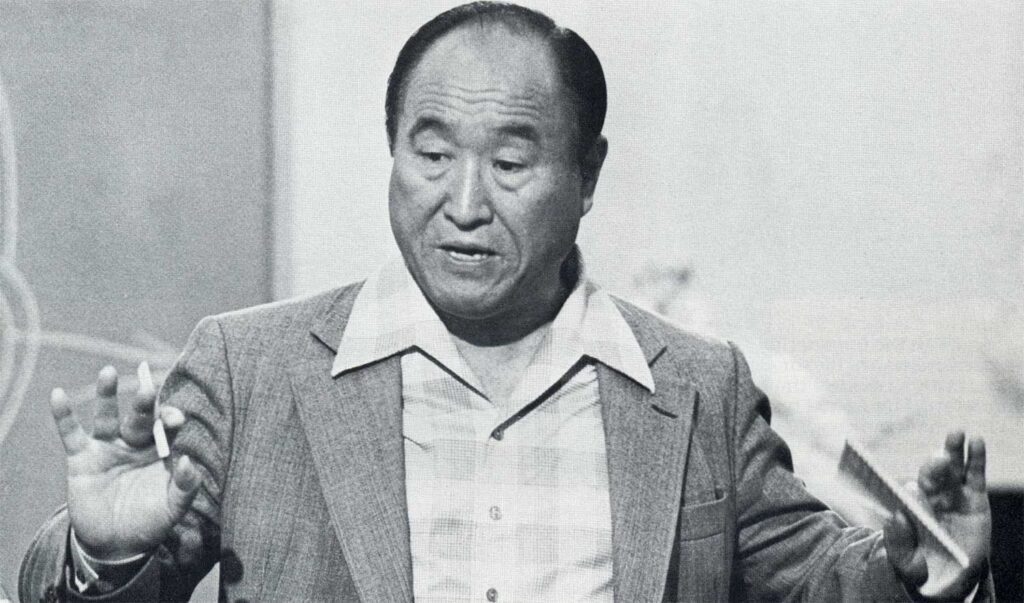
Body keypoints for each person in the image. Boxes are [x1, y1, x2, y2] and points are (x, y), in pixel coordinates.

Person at [21, 3, 993, 602]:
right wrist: (103, 556)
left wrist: (923, 568)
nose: (463, 203)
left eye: (512, 163)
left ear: (587, 175)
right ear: (392, 151)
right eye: (430, 153)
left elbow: (822, 578)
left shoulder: (699, 387)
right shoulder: (250, 371)